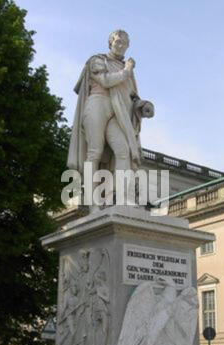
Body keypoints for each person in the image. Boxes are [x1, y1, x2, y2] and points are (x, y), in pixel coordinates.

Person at [67, 30, 154, 211]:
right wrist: (127, 71)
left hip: (119, 110)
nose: (121, 45)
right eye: (117, 42)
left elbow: (130, 96)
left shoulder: (125, 70)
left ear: (128, 45)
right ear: (110, 43)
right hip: (98, 103)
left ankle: (123, 199)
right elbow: (105, 81)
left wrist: (142, 104)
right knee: (95, 152)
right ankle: (93, 204)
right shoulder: (97, 60)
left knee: (124, 151)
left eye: (124, 43)